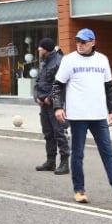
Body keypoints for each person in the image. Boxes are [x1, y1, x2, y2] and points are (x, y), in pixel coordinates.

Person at [53, 28, 112, 204]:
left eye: (84, 42)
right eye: (78, 41)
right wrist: (58, 107)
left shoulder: (102, 60)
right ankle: (79, 190)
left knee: (108, 153)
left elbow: (109, 87)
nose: (80, 45)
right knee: (77, 154)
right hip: (78, 116)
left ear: (93, 42)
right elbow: (57, 85)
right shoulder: (69, 60)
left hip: (99, 115)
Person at [35, 37, 69, 174]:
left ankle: (65, 163)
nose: (38, 49)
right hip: (43, 104)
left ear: (46, 49)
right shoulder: (44, 62)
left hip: (55, 104)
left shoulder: (59, 61)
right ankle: (50, 161)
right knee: (48, 133)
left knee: (59, 133)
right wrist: (36, 97)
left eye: (40, 47)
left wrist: (51, 98)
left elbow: (60, 84)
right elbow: (38, 82)